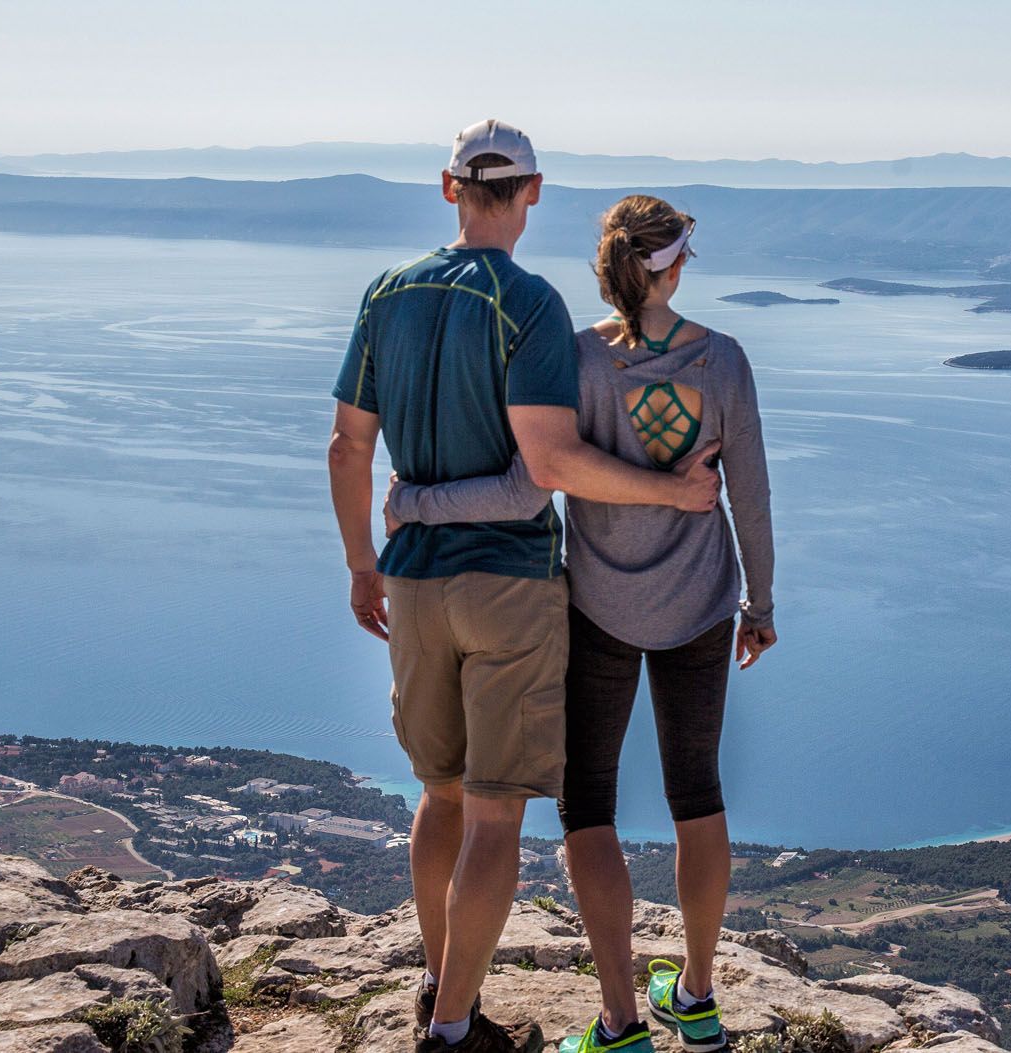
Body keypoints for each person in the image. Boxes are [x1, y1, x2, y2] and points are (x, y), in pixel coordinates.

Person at [327, 124, 721, 1053]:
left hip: (414, 582)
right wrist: (674, 490)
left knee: (439, 791)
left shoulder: (387, 293)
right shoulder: (530, 305)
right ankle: (456, 1028)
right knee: (496, 807)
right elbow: (546, 464)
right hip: (508, 584)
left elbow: (348, 445)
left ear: (447, 187)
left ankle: (436, 986)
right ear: (533, 191)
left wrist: (362, 560)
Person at [385, 194, 777, 1053]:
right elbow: (749, 491)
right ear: (672, 267)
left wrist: (414, 501)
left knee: (588, 811)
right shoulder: (726, 361)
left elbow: (537, 475)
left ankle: (620, 1021)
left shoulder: (575, 360)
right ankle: (699, 996)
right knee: (697, 794)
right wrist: (762, 604)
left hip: (594, 605)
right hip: (703, 605)